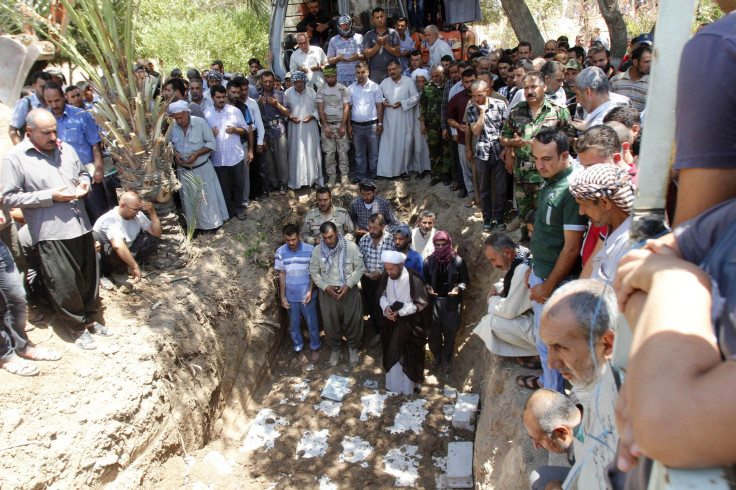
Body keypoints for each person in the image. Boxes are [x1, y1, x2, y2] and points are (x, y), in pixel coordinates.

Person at [613, 198, 736, 475]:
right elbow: (630, 271)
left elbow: (666, 419)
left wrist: (674, 278)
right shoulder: (728, 218)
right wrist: (654, 372)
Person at [2, 109, 104, 350]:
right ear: (29, 132)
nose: (52, 136)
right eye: (45, 132)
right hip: (51, 231)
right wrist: (50, 196)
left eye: (54, 131)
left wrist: (84, 183)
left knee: (89, 276)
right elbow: (8, 198)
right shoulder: (15, 158)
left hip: (80, 225)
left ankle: (90, 318)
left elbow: (82, 172)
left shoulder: (65, 149)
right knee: (64, 281)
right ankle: (76, 327)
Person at [536, 280, 619, 490]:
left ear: (606, 344)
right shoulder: (587, 384)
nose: (551, 363)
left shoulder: (624, 412)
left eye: (561, 348)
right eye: (548, 347)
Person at [521, 127, 587, 392]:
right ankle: (549, 387)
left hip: (555, 281)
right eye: (536, 158)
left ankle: (553, 399)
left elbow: (571, 248)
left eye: (547, 158)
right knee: (543, 341)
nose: (540, 165)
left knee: (551, 343)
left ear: (564, 156)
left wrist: (548, 286)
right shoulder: (552, 183)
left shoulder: (569, 191)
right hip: (542, 271)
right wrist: (533, 266)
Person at [501, 71, 573, 239]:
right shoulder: (516, 111)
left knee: (546, 215)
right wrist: (512, 143)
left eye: (533, 86)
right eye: (526, 88)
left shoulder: (558, 111)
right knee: (525, 216)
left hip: (547, 178)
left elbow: (570, 138)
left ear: (544, 87)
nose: (529, 91)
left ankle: (544, 247)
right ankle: (527, 247)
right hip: (522, 176)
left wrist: (548, 146)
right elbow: (503, 137)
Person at [42, 82, 110, 224]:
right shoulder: (44, 119)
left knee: (99, 215)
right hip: (61, 177)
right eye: (50, 101)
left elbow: (95, 143)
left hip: (88, 173)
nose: (54, 105)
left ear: (63, 97)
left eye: (57, 100)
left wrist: (98, 168)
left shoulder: (80, 115)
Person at [309, 221, 365, 367]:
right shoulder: (317, 251)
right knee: (330, 322)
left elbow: (360, 269)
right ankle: (336, 348)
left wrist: (348, 285)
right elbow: (314, 272)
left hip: (349, 290)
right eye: (325, 238)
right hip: (328, 292)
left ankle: (353, 347)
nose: (328, 241)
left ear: (337, 233)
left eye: (331, 237)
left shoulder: (351, 247)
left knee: (353, 320)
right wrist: (325, 287)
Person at [166, 100, 229, 232]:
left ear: (187, 114)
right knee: (189, 202)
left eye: (181, 117)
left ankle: (214, 226)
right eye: (176, 118)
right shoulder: (173, 127)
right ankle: (195, 227)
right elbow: (169, 144)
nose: (179, 121)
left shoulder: (200, 123)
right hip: (184, 171)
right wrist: (175, 153)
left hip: (202, 168)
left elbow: (211, 144)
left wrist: (197, 154)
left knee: (208, 199)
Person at [474, 233, 537, 360]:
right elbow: (510, 279)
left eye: (493, 259)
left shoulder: (522, 269)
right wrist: (496, 287)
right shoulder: (523, 254)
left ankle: (538, 352)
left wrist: (491, 300)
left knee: (489, 323)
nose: (494, 265)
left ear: (507, 252)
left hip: (544, 330)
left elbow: (509, 311)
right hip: (543, 321)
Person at [377, 250, 430, 394]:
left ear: (401, 265)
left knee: (409, 356)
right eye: (386, 269)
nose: (389, 272)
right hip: (391, 323)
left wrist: (400, 312)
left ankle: (409, 388)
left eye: (392, 269)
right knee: (392, 352)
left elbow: (421, 303)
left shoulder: (414, 278)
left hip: (410, 324)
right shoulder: (386, 276)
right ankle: (394, 387)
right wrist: (386, 307)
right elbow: (382, 294)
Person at [571, 164, 634, 282]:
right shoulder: (613, 228)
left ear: (605, 202)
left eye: (584, 205)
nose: (581, 212)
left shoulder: (631, 242)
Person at [465, 79, 508, 232]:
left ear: (487, 91)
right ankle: (487, 218)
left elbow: (505, 128)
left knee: (501, 187)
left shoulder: (500, 105)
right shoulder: (471, 109)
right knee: (484, 188)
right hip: (481, 152)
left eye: (480, 95)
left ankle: (499, 217)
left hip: (499, 151)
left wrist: (506, 149)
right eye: (474, 95)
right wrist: (482, 112)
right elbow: (476, 131)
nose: (476, 99)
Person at [423, 231, 469, 373]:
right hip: (434, 302)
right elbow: (424, 281)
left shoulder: (458, 261)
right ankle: (436, 357)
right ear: (434, 244)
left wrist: (458, 288)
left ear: (449, 244)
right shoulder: (428, 261)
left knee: (450, 333)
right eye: (438, 245)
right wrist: (428, 288)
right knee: (434, 333)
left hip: (452, 303)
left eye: (444, 244)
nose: (441, 247)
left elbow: (465, 281)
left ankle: (446, 359)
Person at [275, 224, 321, 363]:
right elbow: (282, 275)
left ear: (299, 236)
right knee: (294, 325)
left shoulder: (310, 249)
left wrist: (310, 290)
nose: (291, 243)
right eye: (287, 240)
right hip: (291, 296)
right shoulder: (280, 252)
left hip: (307, 295)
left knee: (312, 322)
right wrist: (283, 296)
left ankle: (315, 347)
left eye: (293, 239)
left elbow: (314, 272)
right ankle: (298, 349)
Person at [93, 191, 161, 281]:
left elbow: (156, 233)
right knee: (117, 244)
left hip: (127, 251)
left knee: (151, 239)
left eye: (138, 209)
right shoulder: (110, 219)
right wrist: (135, 266)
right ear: (122, 205)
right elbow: (118, 246)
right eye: (134, 210)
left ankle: (126, 266)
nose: (136, 213)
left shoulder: (137, 215)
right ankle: (105, 276)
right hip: (109, 255)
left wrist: (152, 211)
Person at [204, 85, 249, 220]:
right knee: (223, 187)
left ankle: (239, 209)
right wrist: (209, 133)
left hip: (234, 156)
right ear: (212, 98)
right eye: (218, 97)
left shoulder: (234, 111)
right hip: (217, 158)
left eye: (223, 96)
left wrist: (235, 130)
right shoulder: (206, 114)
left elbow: (245, 129)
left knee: (237, 184)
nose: (221, 100)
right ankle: (227, 213)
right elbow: (202, 136)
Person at [524, 389, 583, 490]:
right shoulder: (580, 397)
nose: (536, 446)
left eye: (540, 439)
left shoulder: (584, 455)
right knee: (540, 477)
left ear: (561, 432)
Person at [377, 60, 420, 179]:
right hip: (389, 119)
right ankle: (386, 172)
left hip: (404, 119)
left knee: (403, 145)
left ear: (400, 69)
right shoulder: (384, 82)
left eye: (394, 69)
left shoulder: (408, 81)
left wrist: (402, 103)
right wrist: (384, 101)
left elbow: (415, 97)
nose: (392, 72)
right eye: (390, 70)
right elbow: (378, 97)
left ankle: (404, 171)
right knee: (388, 145)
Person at [358, 213, 396, 345]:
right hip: (367, 279)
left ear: (383, 226)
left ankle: (388, 332)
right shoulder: (364, 239)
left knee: (385, 305)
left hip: (385, 279)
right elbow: (359, 259)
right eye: (369, 227)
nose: (372, 231)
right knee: (372, 304)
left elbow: (395, 262)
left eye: (375, 228)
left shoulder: (391, 240)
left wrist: (381, 271)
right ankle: (378, 332)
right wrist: (366, 272)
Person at [284, 71, 323, 189]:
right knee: (296, 153)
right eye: (296, 82)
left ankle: (315, 180)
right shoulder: (287, 93)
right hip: (294, 127)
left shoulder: (312, 92)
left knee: (312, 152)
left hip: (310, 126)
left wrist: (312, 116)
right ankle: (296, 182)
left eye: (301, 81)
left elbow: (318, 109)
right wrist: (290, 118)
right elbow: (284, 110)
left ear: (305, 81)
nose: (299, 84)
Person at [348, 62, 383, 182]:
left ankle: (374, 175)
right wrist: (349, 126)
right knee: (359, 153)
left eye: (363, 72)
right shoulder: (351, 89)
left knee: (374, 152)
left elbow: (379, 107)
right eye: (358, 73)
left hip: (372, 125)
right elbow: (349, 108)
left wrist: (380, 123)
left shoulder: (375, 87)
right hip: (356, 125)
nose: (360, 75)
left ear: (368, 72)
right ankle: (360, 176)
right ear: (355, 74)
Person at [447, 68, 477, 205]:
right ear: (462, 83)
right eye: (467, 82)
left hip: (481, 140)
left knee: (480, 170)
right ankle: (471, 195)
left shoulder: (486, 98)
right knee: (466, 169)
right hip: (463, 139)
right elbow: (450, 118)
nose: (470, 84)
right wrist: (458, 126)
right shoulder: (456, 98)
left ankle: (480, 196)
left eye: (472, 81)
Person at [317, 65, 350, 187]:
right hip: (327, 125)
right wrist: (325, 125)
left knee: (343, 151)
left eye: (332, 76)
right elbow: (320, 109)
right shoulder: (321, 90)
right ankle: (331, 177)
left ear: (336, 75)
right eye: (327, 76)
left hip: (340, 124)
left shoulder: (343, 89)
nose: (330, 78)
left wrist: (343, 125)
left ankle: (344, 176)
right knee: (329, 152)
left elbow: (347, 107)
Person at [257, 72, 290, 195]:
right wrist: (258, 103)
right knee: (268, 160)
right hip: (264, 131)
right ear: (261, 80)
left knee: (281, 159)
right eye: (265, 81)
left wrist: (277, 105)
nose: (267, 84)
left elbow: (288, 113)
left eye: (270, 81)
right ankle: (273, 184)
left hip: (278, 128)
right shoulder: (256, 96)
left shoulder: (280, 95)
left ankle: (283, 184)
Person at [419, 64, 450, 186]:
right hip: (431, 125)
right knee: (434, 150)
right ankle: (436, 175)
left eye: (438, 75)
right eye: (433, 76)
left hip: (445, 124)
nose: (435, 78)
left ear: (443, 74)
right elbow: (423, 107)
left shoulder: (448, 86)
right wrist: (422, 124)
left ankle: (446, 175)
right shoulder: (427, 87)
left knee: (446, 150)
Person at [9, 71, 51, 145]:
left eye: (47, 86)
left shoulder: (54, 102)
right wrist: (20, 151)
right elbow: (12, 130)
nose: (44, 89)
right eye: (41, 86)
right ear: (34, 86)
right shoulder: (25, 103)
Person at [362, 7, 401, 84]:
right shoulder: (369, 35)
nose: (380, 19)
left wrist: (385, 44)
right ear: (372, 20)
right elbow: (367, 55)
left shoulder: (393, 33)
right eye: (377, 17)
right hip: (375, 71)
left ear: (385, 17)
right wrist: (378, 44)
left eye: (381, 17)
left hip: (391, 70)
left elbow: (397, 53)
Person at [326, 15, 365, 87]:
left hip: (357, 76)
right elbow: (329, 60)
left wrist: (358, 57)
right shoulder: (334, 40)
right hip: (341, 78)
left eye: (347, 24)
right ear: (339, 26)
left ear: (351, 24)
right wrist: (338, 58)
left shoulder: (359, 37)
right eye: (343, 25)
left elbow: (365, 56)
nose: (345, 27)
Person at [610, 46, 651, 112]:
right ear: (635, 62)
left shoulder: (651, 85)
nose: (649, 65)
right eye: (646, 62)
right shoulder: (615, 81)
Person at [409, 69, 431, 178]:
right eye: (419, 81)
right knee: (418, 146)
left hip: (430, 121)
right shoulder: (414, 93)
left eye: (423, 81)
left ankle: (431, 168)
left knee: (429, 146)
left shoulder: (431, 91)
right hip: (417, 121)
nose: (421, 84)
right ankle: (420, 169)